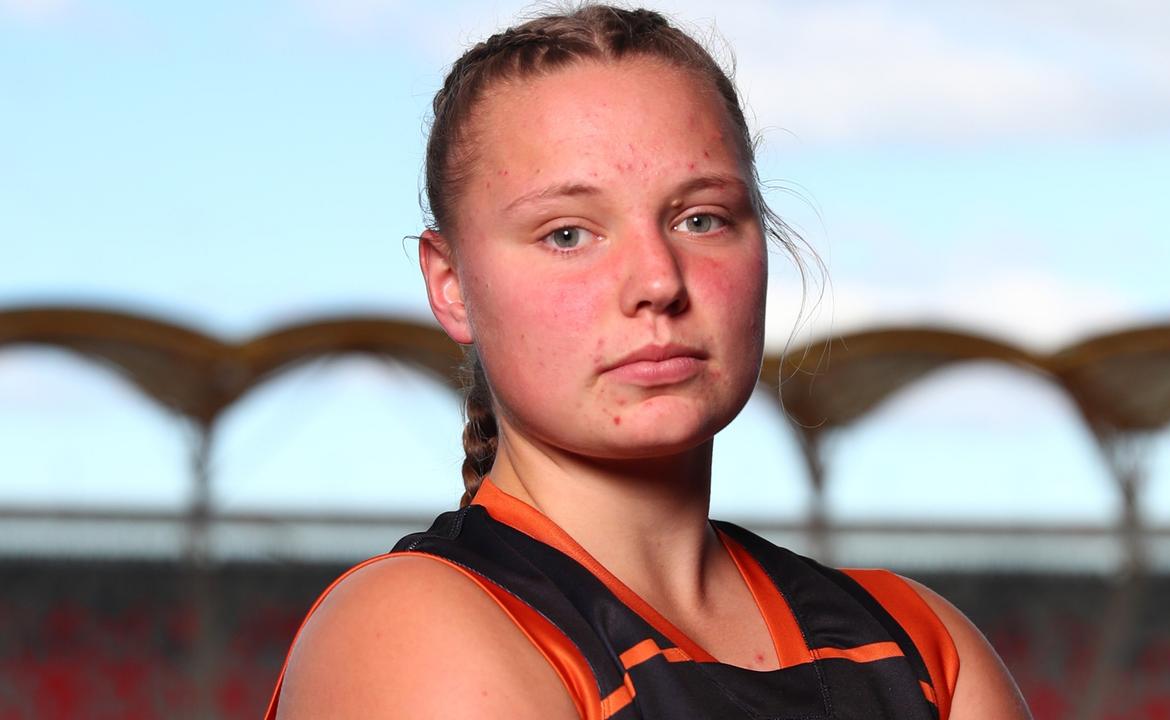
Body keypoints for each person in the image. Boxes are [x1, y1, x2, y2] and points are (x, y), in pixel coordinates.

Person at [267, 5, 1031, 719]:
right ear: (451, 284)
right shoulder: (412, 627)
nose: (659, 282)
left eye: (701, 218)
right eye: (568, 233)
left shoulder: (921, 642)